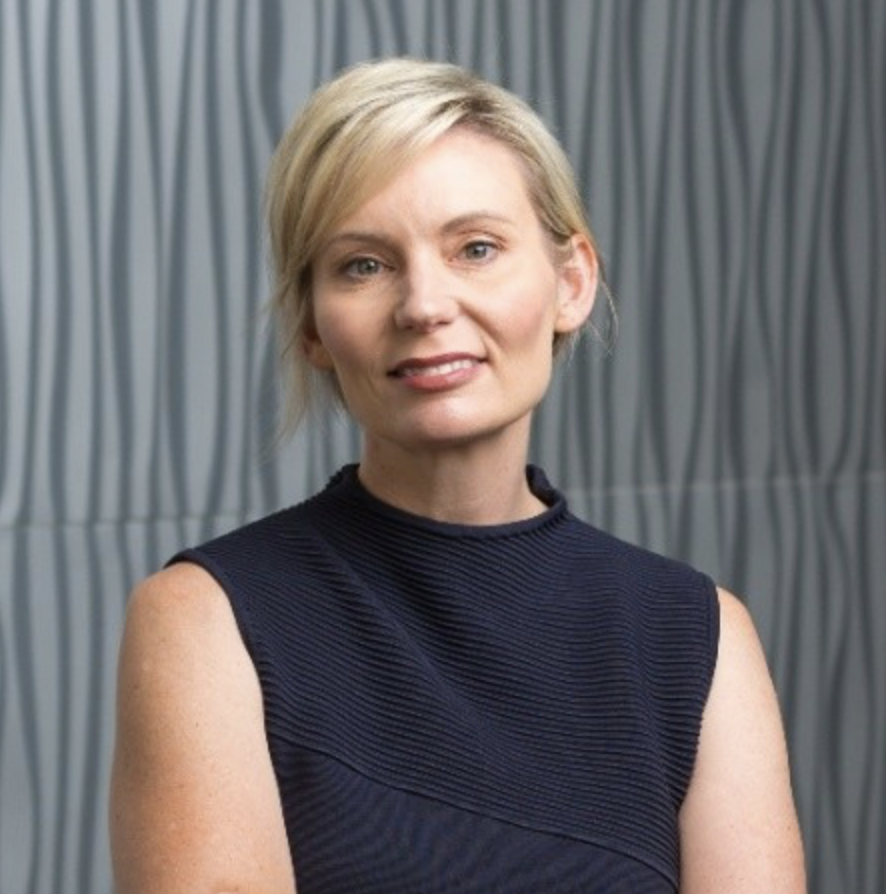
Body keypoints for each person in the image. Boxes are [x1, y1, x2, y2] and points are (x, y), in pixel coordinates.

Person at [109, 58, 806, 893]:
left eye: (476, 248)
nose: (425, 305)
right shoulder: (204, 621)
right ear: (313, 331)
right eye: (363, 265)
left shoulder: (698, 636)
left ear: (571, 282)